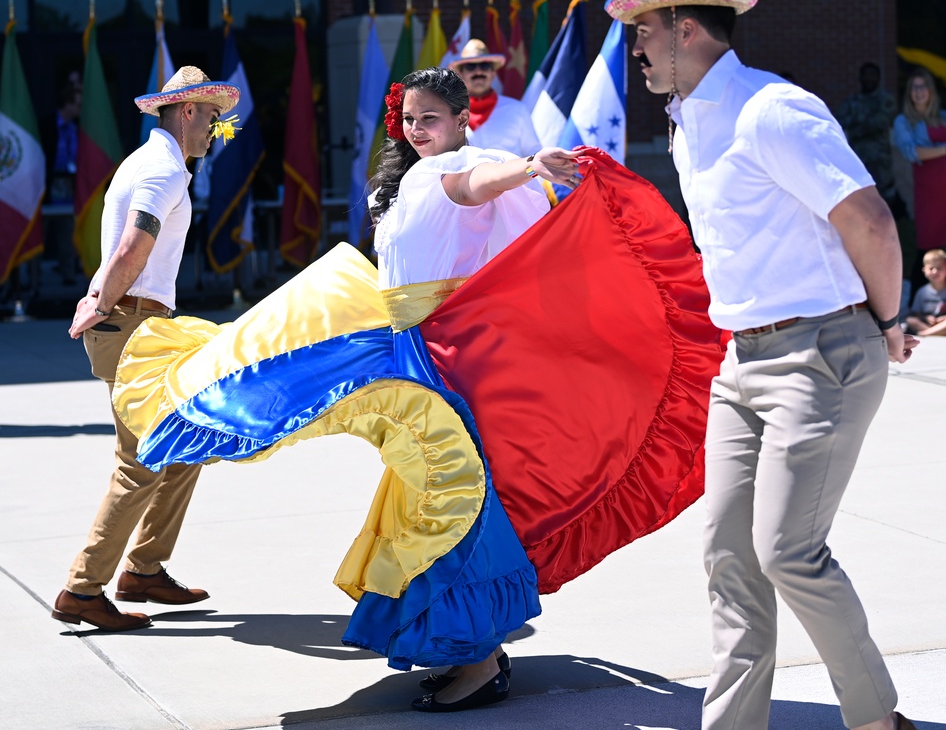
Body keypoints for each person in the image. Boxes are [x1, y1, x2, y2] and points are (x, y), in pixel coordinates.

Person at [110, 67, 727, 711]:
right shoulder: (408, 180)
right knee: (432, 489)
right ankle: (466, 647)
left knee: (448, 492)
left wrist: (526, 169)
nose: (415, 129)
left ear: (463, 119)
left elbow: (469, 186)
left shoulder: (457, 168)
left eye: (429, 117)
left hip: (442, 357)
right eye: (408, 119)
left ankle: (480, 660)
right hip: (415, 344)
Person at [606, 0, 921, 730]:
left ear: (685, 31)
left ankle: (878, 720)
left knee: (788, 552)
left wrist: (885, 324)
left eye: (643, 33)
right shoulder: (688, 125)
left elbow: (870, 220)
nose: (635, 49)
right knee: (728, 558)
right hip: (739, 362)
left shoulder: (773, 110)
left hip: (822, 353)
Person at [51, 67, 240, 632]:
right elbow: (136, 243)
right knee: (139, 462)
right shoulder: (163, 170)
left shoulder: (152, 162)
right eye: (210, 116)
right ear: (186, 112)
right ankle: (82, 590)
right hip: (130, 320)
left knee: (189, 439)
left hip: (139, 321)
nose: (214, 127)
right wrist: (99, 301)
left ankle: (145, 568)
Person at [892, 68, 946, 291]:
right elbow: (912, 152)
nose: (919, 92)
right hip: (930, 195)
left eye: (923, 86)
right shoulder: (904, 121)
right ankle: (917, 303)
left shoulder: (944, 116)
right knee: (927, 246)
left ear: (931, 91)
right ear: (909, 93)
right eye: (914, 87)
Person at [449, 39, 542, 157]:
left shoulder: (517, 109)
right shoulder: (450, 114)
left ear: (493, 73)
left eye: (485, 66)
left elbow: (534, 154)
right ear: (461, 74)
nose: (478, 71)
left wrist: (530, 173)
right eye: (471, 66)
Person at [836, 62, 906, 218]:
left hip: (881, 161)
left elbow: (879, 122)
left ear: (879, 78)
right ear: (860, 78)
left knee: (885, 200)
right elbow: (840, 121)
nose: (868, 79)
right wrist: (864, 123)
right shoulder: (852, 102)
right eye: (865, 75)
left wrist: (856, 125)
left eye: (872, 75)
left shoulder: (886, 100)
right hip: (859, 160)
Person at [40, 78, 83, 284]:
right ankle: (33, 276)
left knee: (68, 230)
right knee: (41, 230)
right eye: (77, 103)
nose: (80, 108)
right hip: (48, 185)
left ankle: (68, 274)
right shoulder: (47, 125)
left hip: (68, 184)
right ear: (67, 104)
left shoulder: (77, 127)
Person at [903, 248, 946, 336]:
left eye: (939, 268)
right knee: (910, 320)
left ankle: (927, 334)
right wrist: (926, 318)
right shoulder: (922, 291)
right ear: (924, 271)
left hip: (945, 323)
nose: (934, 272)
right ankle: (935, 333)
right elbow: (915, 313)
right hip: (928, 324)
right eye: (931, 268)